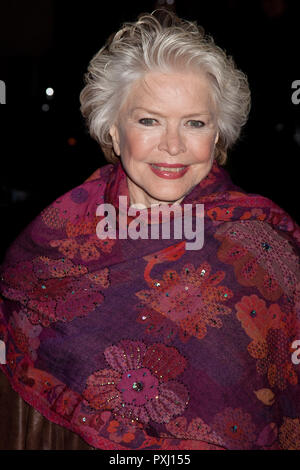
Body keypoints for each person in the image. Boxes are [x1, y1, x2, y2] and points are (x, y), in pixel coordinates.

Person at [0, 10, 299, 451]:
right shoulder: (55, 239)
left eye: (195, 123)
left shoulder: (264, 241)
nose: (173, 145)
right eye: (149, 120)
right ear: (114, 132)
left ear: (217, 137)